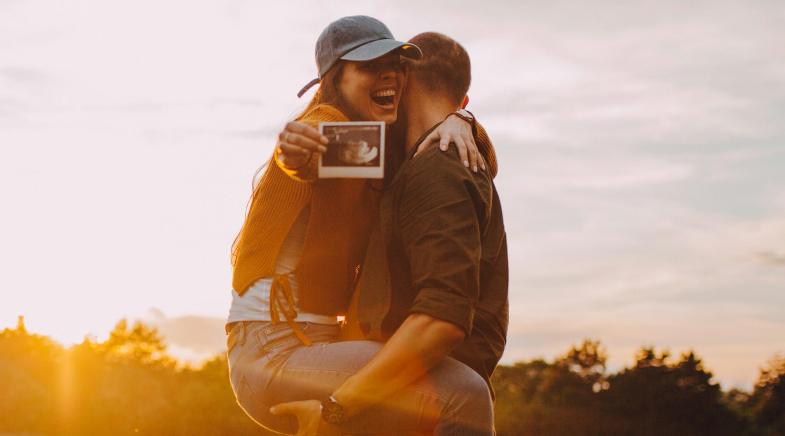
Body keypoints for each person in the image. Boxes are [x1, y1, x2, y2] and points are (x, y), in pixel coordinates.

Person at [226, 16, 487, 435]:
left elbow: (464, 150)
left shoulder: (373, 148)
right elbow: (305, 151)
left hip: (319, 347)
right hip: (272, 353)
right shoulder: (334, 128)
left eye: (397, 63)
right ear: (335, 81)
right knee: (464, 397)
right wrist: (293, 150)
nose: (389, 74)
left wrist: (462, 121)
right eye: (368, 65)